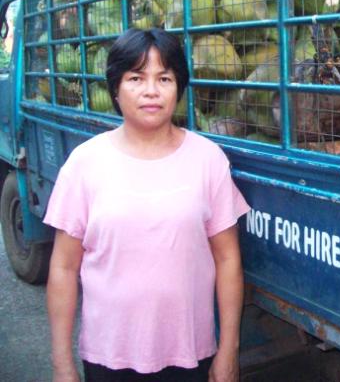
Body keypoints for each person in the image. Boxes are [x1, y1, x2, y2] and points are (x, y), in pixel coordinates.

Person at [45, 28, 250, 382]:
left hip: (189, 355)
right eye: (136, 78)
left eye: (164, 78)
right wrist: (62, 363)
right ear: (115, 88)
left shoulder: (208, 160)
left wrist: (229, 350)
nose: (151, 90)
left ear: (179, 88)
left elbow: (228, 259)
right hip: (109, 356)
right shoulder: (85, 163)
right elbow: (63, 268)